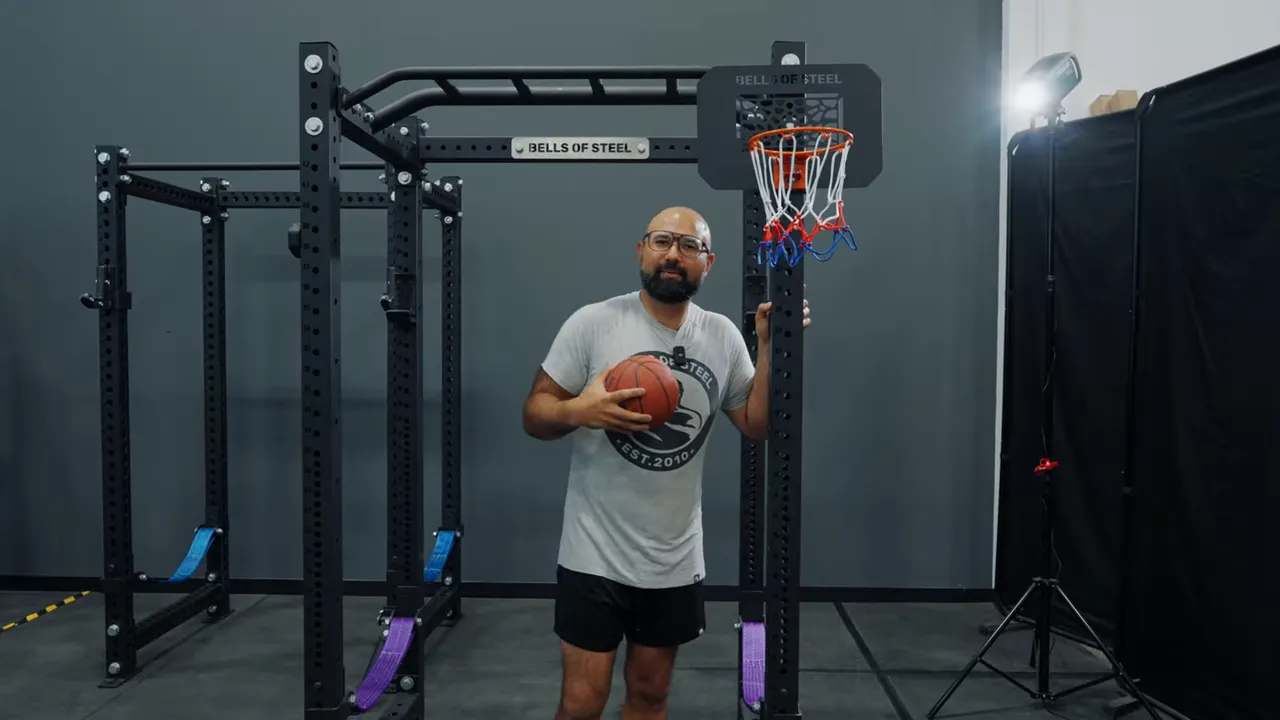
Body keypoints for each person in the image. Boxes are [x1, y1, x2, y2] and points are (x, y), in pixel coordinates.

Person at [521, 206, 811, 719]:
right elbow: (535, 414)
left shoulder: (721, 335)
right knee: (581, 703)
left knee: (651, 696)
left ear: (708, 261)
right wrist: (578, 411)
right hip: (594, 555)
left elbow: (757, 424)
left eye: (688, 245)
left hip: (673, 559)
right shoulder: (594, 323)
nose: (673, 254)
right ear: (642, 250)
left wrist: (768, 346)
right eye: (661, 241)